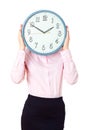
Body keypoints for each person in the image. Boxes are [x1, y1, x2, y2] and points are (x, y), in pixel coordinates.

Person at [11, 24, 78, 130]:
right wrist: (21, 48)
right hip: (33, 108)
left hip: (56, 109)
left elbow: (72, 79)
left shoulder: (62, 53)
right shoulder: (28, 53)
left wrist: (66, 49)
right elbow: (16, 78)